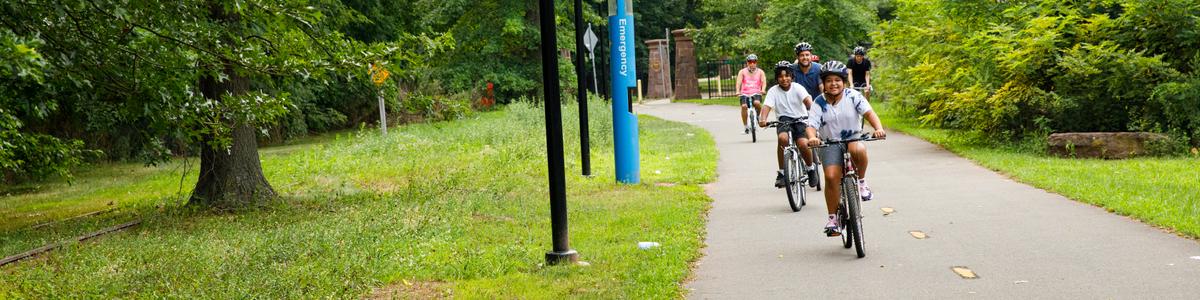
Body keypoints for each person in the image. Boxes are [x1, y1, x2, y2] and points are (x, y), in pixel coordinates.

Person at [804, 61, 886, 237]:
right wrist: (812, 137)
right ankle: (833, 219)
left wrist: (878, 128)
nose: (833, 84)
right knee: (831, 176)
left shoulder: (853, 96)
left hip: (852, 137)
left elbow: (869, 114)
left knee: (858, 150)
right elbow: (811, 125)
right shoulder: (819, 102)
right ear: (823, 84)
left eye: (837, 80)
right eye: (829, 81)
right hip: (829, 142)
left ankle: (862, 183)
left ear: (844, 82)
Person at [757, 61, 817, 189]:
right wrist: (763, 119)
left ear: (792, 76)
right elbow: (766, 106)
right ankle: (782, 173)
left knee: (802, 143)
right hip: (783, 120)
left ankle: (810, 168)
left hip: (800, 118)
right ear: (777, 78)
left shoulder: (798, 88)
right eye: (780, 76)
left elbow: (808, 101)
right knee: (782, 139)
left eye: (787, 75)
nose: (784, 79)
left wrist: (813, 112)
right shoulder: (773, 91)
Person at [736, 54, 767, 134]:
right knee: (744, 106)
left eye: (754, 62)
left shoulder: (760, 72)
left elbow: (763, 82)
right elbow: (738, 82)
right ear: (747, 63)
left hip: (756, 92)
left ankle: (758, 117)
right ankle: (746, 127)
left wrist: (763, 90)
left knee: (757, 103)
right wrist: (737, 91)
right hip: (745, 93)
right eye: (750, 62)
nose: (752, 63)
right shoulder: (742, 72)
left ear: (756, 62)